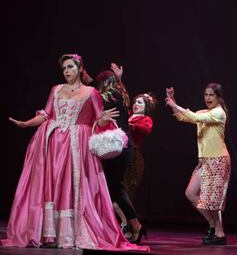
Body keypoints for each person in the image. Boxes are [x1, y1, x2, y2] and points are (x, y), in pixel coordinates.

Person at [4, 54, 147, 251]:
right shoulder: (56, 89)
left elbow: (98, 119)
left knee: (72, 187)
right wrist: (26, 123)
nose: (66, 71)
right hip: (53, 144)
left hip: (76, 145)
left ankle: (70, 233)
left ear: (80, 69)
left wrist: (104, 118)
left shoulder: (91, 92)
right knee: (51, 186)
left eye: (70, 67)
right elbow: (46, 115)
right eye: (64, 68)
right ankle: (49, 233)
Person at [165, 83, 231, 245]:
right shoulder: (205, 112)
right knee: (191, 193)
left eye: (211, 95)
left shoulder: (218, 113)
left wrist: (175, 105)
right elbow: (183, 117)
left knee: (211, 202)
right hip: (204, 161)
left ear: (218, 97)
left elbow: (195, 117)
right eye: (206, 95)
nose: (208, 98)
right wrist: (172, 101)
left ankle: (220, 233)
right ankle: (213, 226)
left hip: (217, 160)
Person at [96, 71, 151, 245]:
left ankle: (135, 226)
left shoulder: (110, 96)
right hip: (122, 148)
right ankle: (133, 226)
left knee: (117, 191)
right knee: (116, 190)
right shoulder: (121, 95)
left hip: (118, 148)